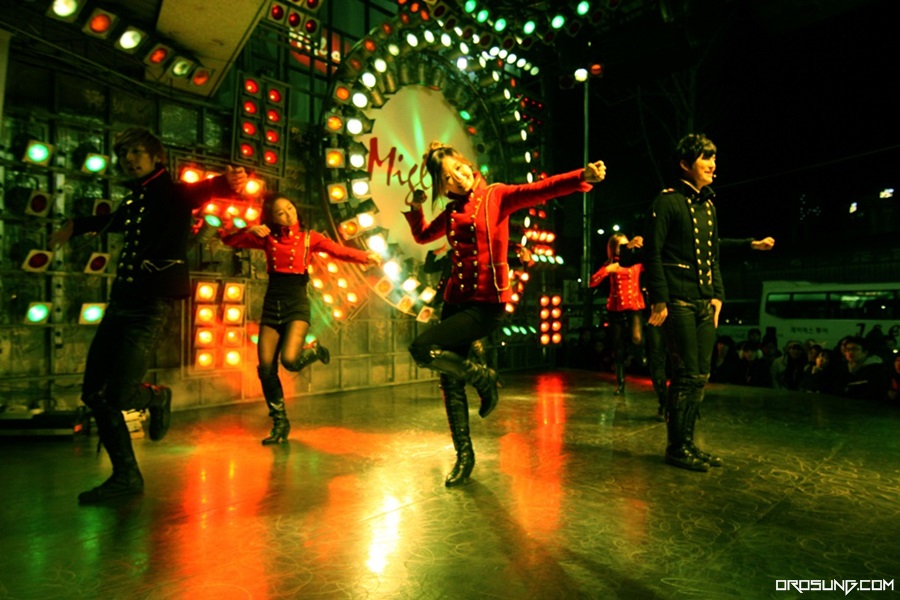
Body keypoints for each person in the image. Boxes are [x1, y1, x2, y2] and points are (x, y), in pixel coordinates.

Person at [49, 127, 248, 504]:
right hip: (120, 304)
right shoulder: (135, 199)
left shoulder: (173, 193)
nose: (129, 159)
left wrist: (229, 181)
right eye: (124, 154)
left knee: (119, 393)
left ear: (156, 157)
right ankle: (126, 477)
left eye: (137, 152)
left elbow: (202, 191)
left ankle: (156, 397)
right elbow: (114, 221)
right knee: (93, 393)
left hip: (148, 307)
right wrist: (75, 226)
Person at [404, 141, 606, 486]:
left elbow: (540, 189)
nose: (458, 177)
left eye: (459, 168)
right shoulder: (451, 212)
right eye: (448, 177)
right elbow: (423, 236)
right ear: (442, 185)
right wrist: (415, 208)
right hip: (455, 300)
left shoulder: (496, 195)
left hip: (486, 303)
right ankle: (464, 456)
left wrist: (580, 177)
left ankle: (483, 379)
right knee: (449, 380)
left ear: (468, 165)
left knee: (421, 348)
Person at [221, 193, 381, 444]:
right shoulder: (267, 238)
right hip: (272, 303)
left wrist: (365, 256)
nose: (288, 214)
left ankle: (315, 350)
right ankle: (280, 423)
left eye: (289, 208)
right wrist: (248, 228)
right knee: (265, 368)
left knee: (290, 360)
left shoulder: (309, 238)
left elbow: (338, 251)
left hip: (296, 302)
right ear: (272, 218)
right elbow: (228, 239)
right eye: (280, 212)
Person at [642, 133, 723, 472]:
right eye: (706, 158)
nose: (713, 164)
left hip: (704, 301)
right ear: (685, 164)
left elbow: (713, 256)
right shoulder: (668, 202)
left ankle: (687, 443)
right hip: (678, 301)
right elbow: (653, 253)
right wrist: (660, 300)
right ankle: (677, 447)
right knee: (686, 375)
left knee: (700, 375)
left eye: (714, 158)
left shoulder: (709, 206)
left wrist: (718, 295)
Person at [589, 233, 645, 395]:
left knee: (637, 337)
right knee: (618, 346)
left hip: (634, 304)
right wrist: (607, 270)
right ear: (613, 248)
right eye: (620, 246)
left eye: (626, 244)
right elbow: (592, 282)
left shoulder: (637, 262)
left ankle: (640, 353)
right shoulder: (610, 264)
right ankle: (620, 383)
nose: (624, 248)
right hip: (615, 307)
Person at [839, 336, 891, 402]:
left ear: (865, 352)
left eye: (855, 349)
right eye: (848, 349)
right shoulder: (845, 367)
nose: (850, 352)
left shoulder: (876, 369)